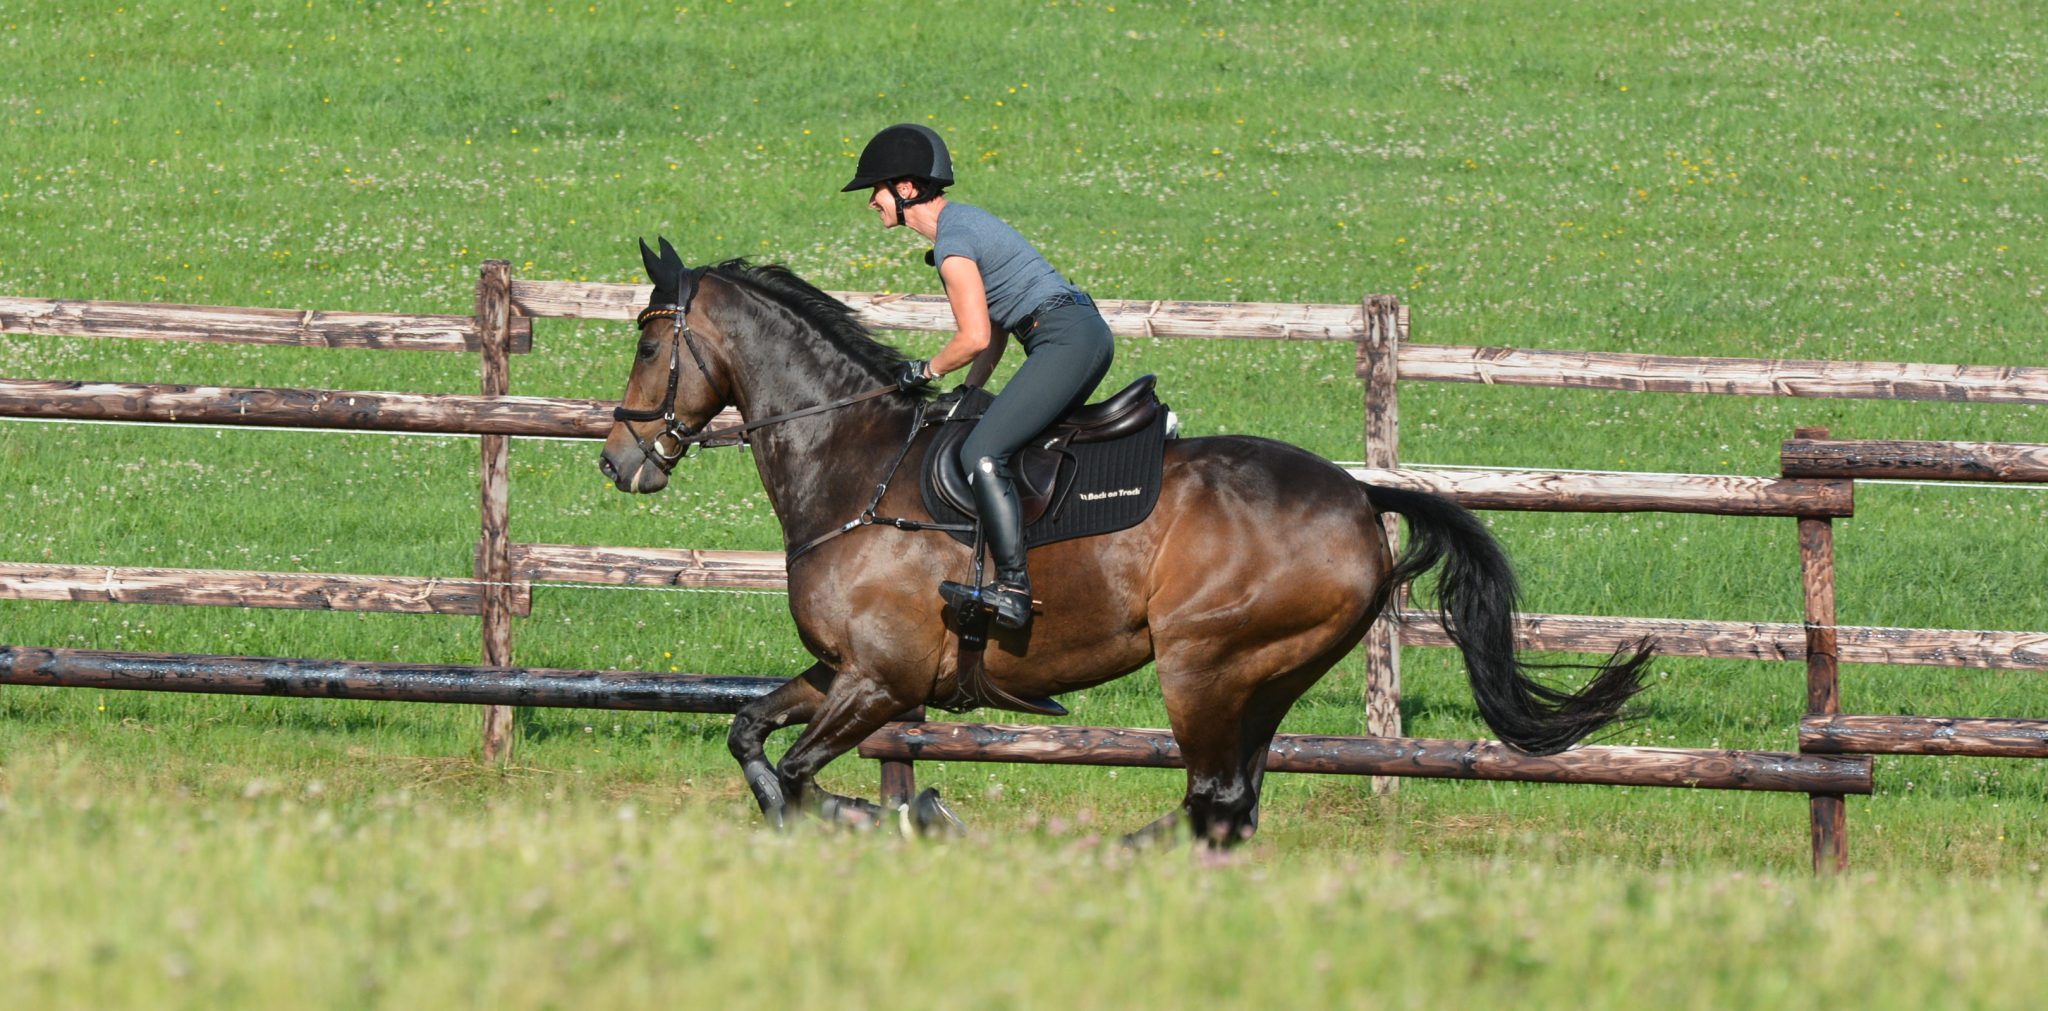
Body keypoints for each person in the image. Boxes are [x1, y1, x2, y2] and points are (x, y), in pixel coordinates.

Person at [843, 123, 1113, 629]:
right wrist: (966, 391)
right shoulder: (963, 226)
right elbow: (993, 331)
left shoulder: (954, 242)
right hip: (1073, 333)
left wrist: (921, 371)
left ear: (905, 189)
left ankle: (1012, 587)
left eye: (874, 191)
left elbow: (971, 339)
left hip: (1064, 339)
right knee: (995, 431)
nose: (870, 203)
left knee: (983, 454)